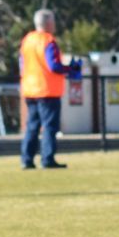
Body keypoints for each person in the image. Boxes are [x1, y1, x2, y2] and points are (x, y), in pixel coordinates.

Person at [18, 9, 77, 169]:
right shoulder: (48, 41)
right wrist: (70, 69)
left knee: (32, 126)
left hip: (29, 90)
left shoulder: (27, 40)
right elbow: (54, 65)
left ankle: (26, 159)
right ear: (49, 23)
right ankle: (47, 159)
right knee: (50, 126)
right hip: (47, 90)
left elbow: (21, 64)